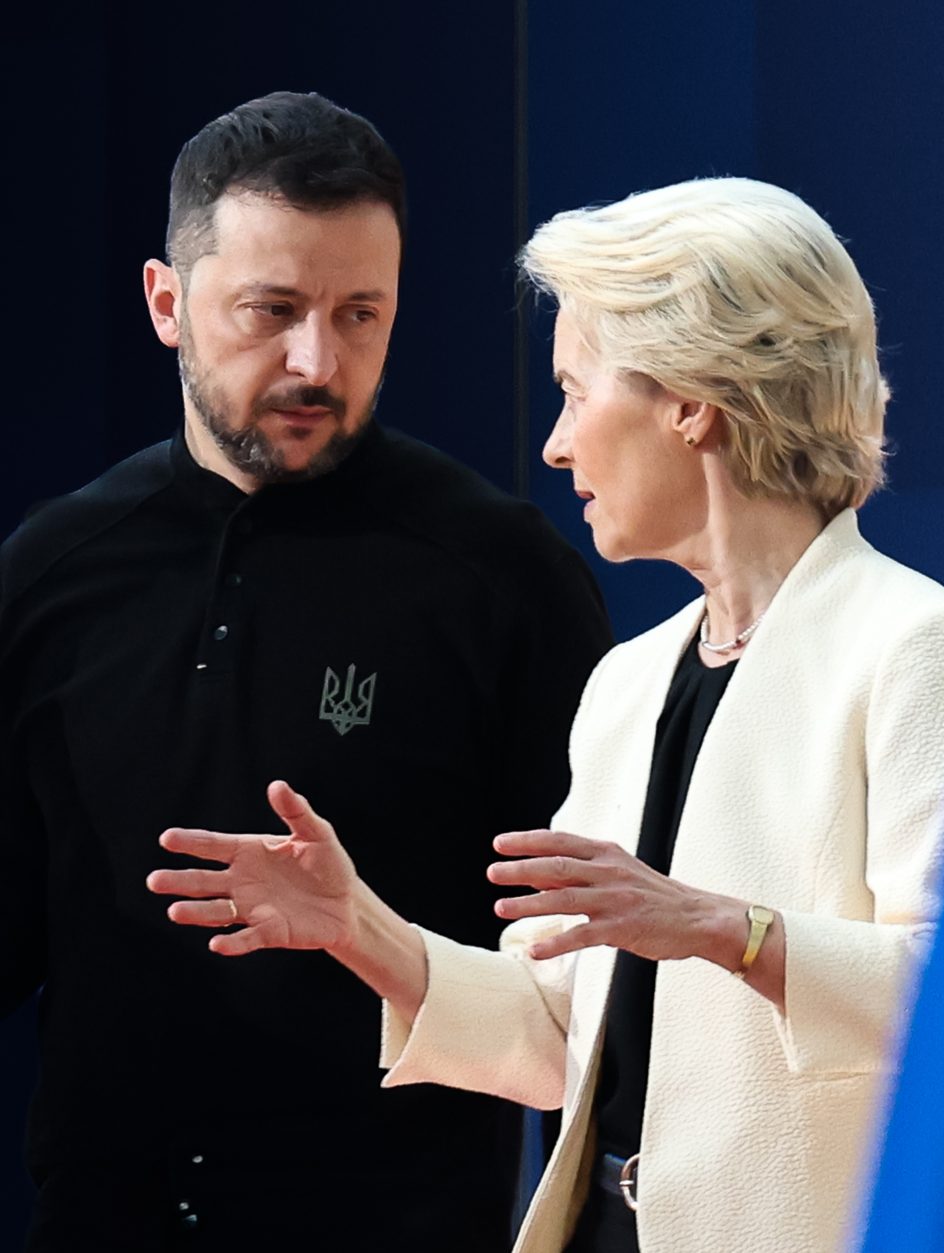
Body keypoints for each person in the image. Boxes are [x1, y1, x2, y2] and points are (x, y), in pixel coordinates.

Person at [148, 177, 944, 1253]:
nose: (555, 446)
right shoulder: (627, 684)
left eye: (575, 391)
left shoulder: (920, 646)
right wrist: (359, 926)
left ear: (692, 400)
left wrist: (730, 932)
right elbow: (558, 1035)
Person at [0, 92, 611, 1252]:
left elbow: (585, 986)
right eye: (271, 311)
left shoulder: (502, 578)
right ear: (167, 303)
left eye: (360, 314)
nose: (317, 361)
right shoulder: (50, 574)